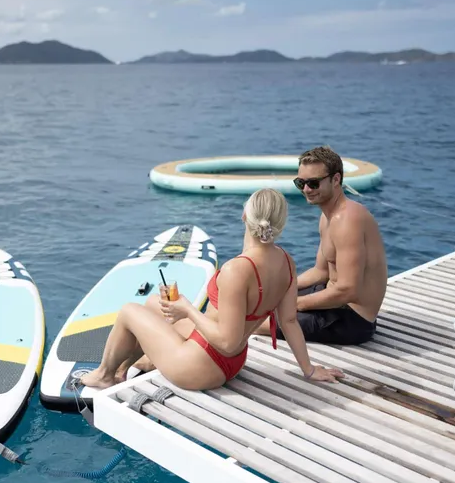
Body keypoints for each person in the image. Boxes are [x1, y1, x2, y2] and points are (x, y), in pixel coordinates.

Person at [79, 188, 344, 392]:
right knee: (151, 307)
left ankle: (104, 375)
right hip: (232, 362)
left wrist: (187, 310)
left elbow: (226, 340)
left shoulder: (236, 270)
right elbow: (288, 321)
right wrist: (308, 370)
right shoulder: (286, 262)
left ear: (244, 216)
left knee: (128, 311)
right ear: (280, 224)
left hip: (201, 368)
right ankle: (126, 368)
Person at [255, 146, 388, 345]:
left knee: (252, 322)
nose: (306, 190)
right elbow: (321, 271)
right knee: (259, 302)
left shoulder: (347, 220)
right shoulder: (328, 217)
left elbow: (348, 290)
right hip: (333, 301)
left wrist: (295, 304)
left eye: (314, 183)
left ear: (336, 180)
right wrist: (281, 288)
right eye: (301, 183)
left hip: (352, 320)